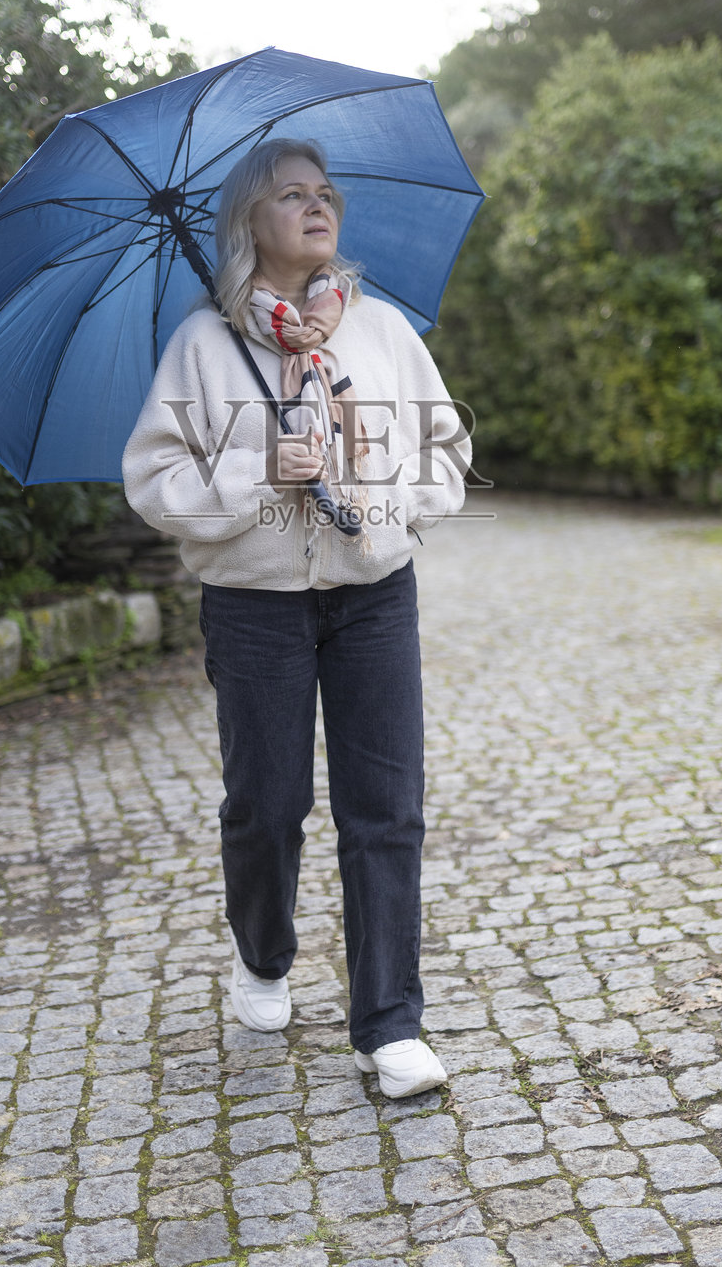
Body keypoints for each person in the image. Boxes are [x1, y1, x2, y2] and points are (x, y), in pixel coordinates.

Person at [122, 137, 470, 1099]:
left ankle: (389, 1023)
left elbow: (446, 446)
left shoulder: (383, 333)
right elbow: (152, 481)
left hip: (372, 596)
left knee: (386, 809)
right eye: (290, 196)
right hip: (254, 607)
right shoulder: (203, 343)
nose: (316, 207)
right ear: (249, 222)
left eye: (326, 194)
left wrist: (390, 511)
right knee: (266, 808)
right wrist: (257, 471)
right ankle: (263, 955)